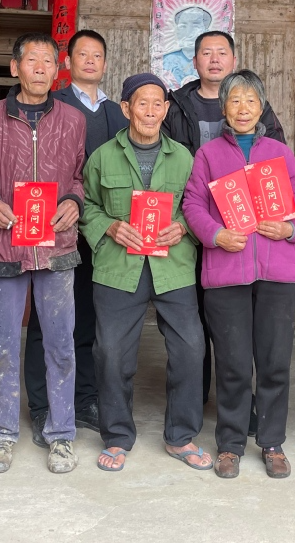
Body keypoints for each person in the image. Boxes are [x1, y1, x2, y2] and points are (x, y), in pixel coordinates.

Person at [0, 32, 86, 475]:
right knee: (0, 345)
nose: (40, 68)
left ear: (57, 70)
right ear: (15, 67)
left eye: (48, 61)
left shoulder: (73, 120)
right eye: (32, 60)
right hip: (4, 246)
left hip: (55, 248)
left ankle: (62, 434)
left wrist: (74, 201)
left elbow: (79, 176)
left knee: (61, 345)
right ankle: (2, 433)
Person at [81, 73, 211, 473]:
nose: (151, 111)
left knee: (191, 348)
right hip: (119, 267)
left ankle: (181, 435)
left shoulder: (185, 158)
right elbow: (86, 205)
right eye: (142, 103)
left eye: (158, 104)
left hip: (173, 267)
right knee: (110, 351)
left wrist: (184, 227)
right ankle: (117, 436)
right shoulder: (103, 156)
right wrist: (110, 227)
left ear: (166, 109)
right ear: (126, 109)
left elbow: (199, 206)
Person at [183, 70, 295, 479]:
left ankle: (272, 443)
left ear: (262, 107)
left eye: (251, 101)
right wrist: (216, 235)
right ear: (224, 107)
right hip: (226, 273)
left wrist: (289, 228)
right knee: (233, 364)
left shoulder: (280, 152)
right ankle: (230, 445)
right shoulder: (208, 155)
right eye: (235, 100)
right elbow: (192, 205)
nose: (243, 108)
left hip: (276, 273)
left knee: (274, 363)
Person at [163, 30, 285, 413]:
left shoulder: (257, 107)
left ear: (233, 60)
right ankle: (196, 400)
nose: (214, 59)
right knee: (195, 321)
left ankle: (242, 405)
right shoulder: (176, 105)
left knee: (240, 327)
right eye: (206, 52)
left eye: (221, 52)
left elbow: (276, 166)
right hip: (191, 225)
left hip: (242, 234)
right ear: (194, 61)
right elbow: (164, 161)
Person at [24, 30, 128, 445]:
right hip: (59, 223)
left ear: (105, 63)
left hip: (101, 231)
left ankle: (83, 399)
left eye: (97, 55)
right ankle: (41, 405)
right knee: (46, 320)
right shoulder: (53, 104)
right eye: (82, 54)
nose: (90, 61)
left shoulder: (118, 112)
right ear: (67, 62)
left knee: (87, 317)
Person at [162, 6, 212, 86]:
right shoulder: (166, 61)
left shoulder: (213, 61)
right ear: (177, 31)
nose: (188, 32)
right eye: (183, 26)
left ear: (206, 32)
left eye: (195, 26)